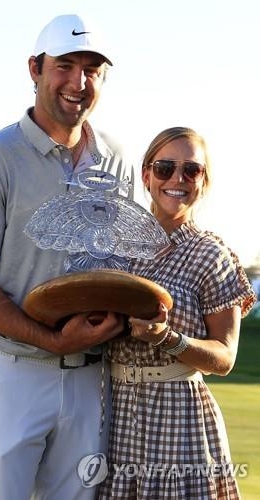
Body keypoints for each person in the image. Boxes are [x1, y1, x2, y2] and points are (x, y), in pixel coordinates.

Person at [0, 14, 134, 500]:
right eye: (64, 66)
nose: (79, 82)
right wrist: (51, 341)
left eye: (92, 69)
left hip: (93, 378)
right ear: (34, 68)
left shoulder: (117, 158)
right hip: (11, 374)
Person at [98, 127, 256, 499]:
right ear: (146, 175)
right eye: (166, 167)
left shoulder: (212, 255)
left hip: (179, 417)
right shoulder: (114, 249)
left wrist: (166, 338)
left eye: (191, 170)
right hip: (112, 414)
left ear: (204, 182)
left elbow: (224, 357)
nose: (177, 179)